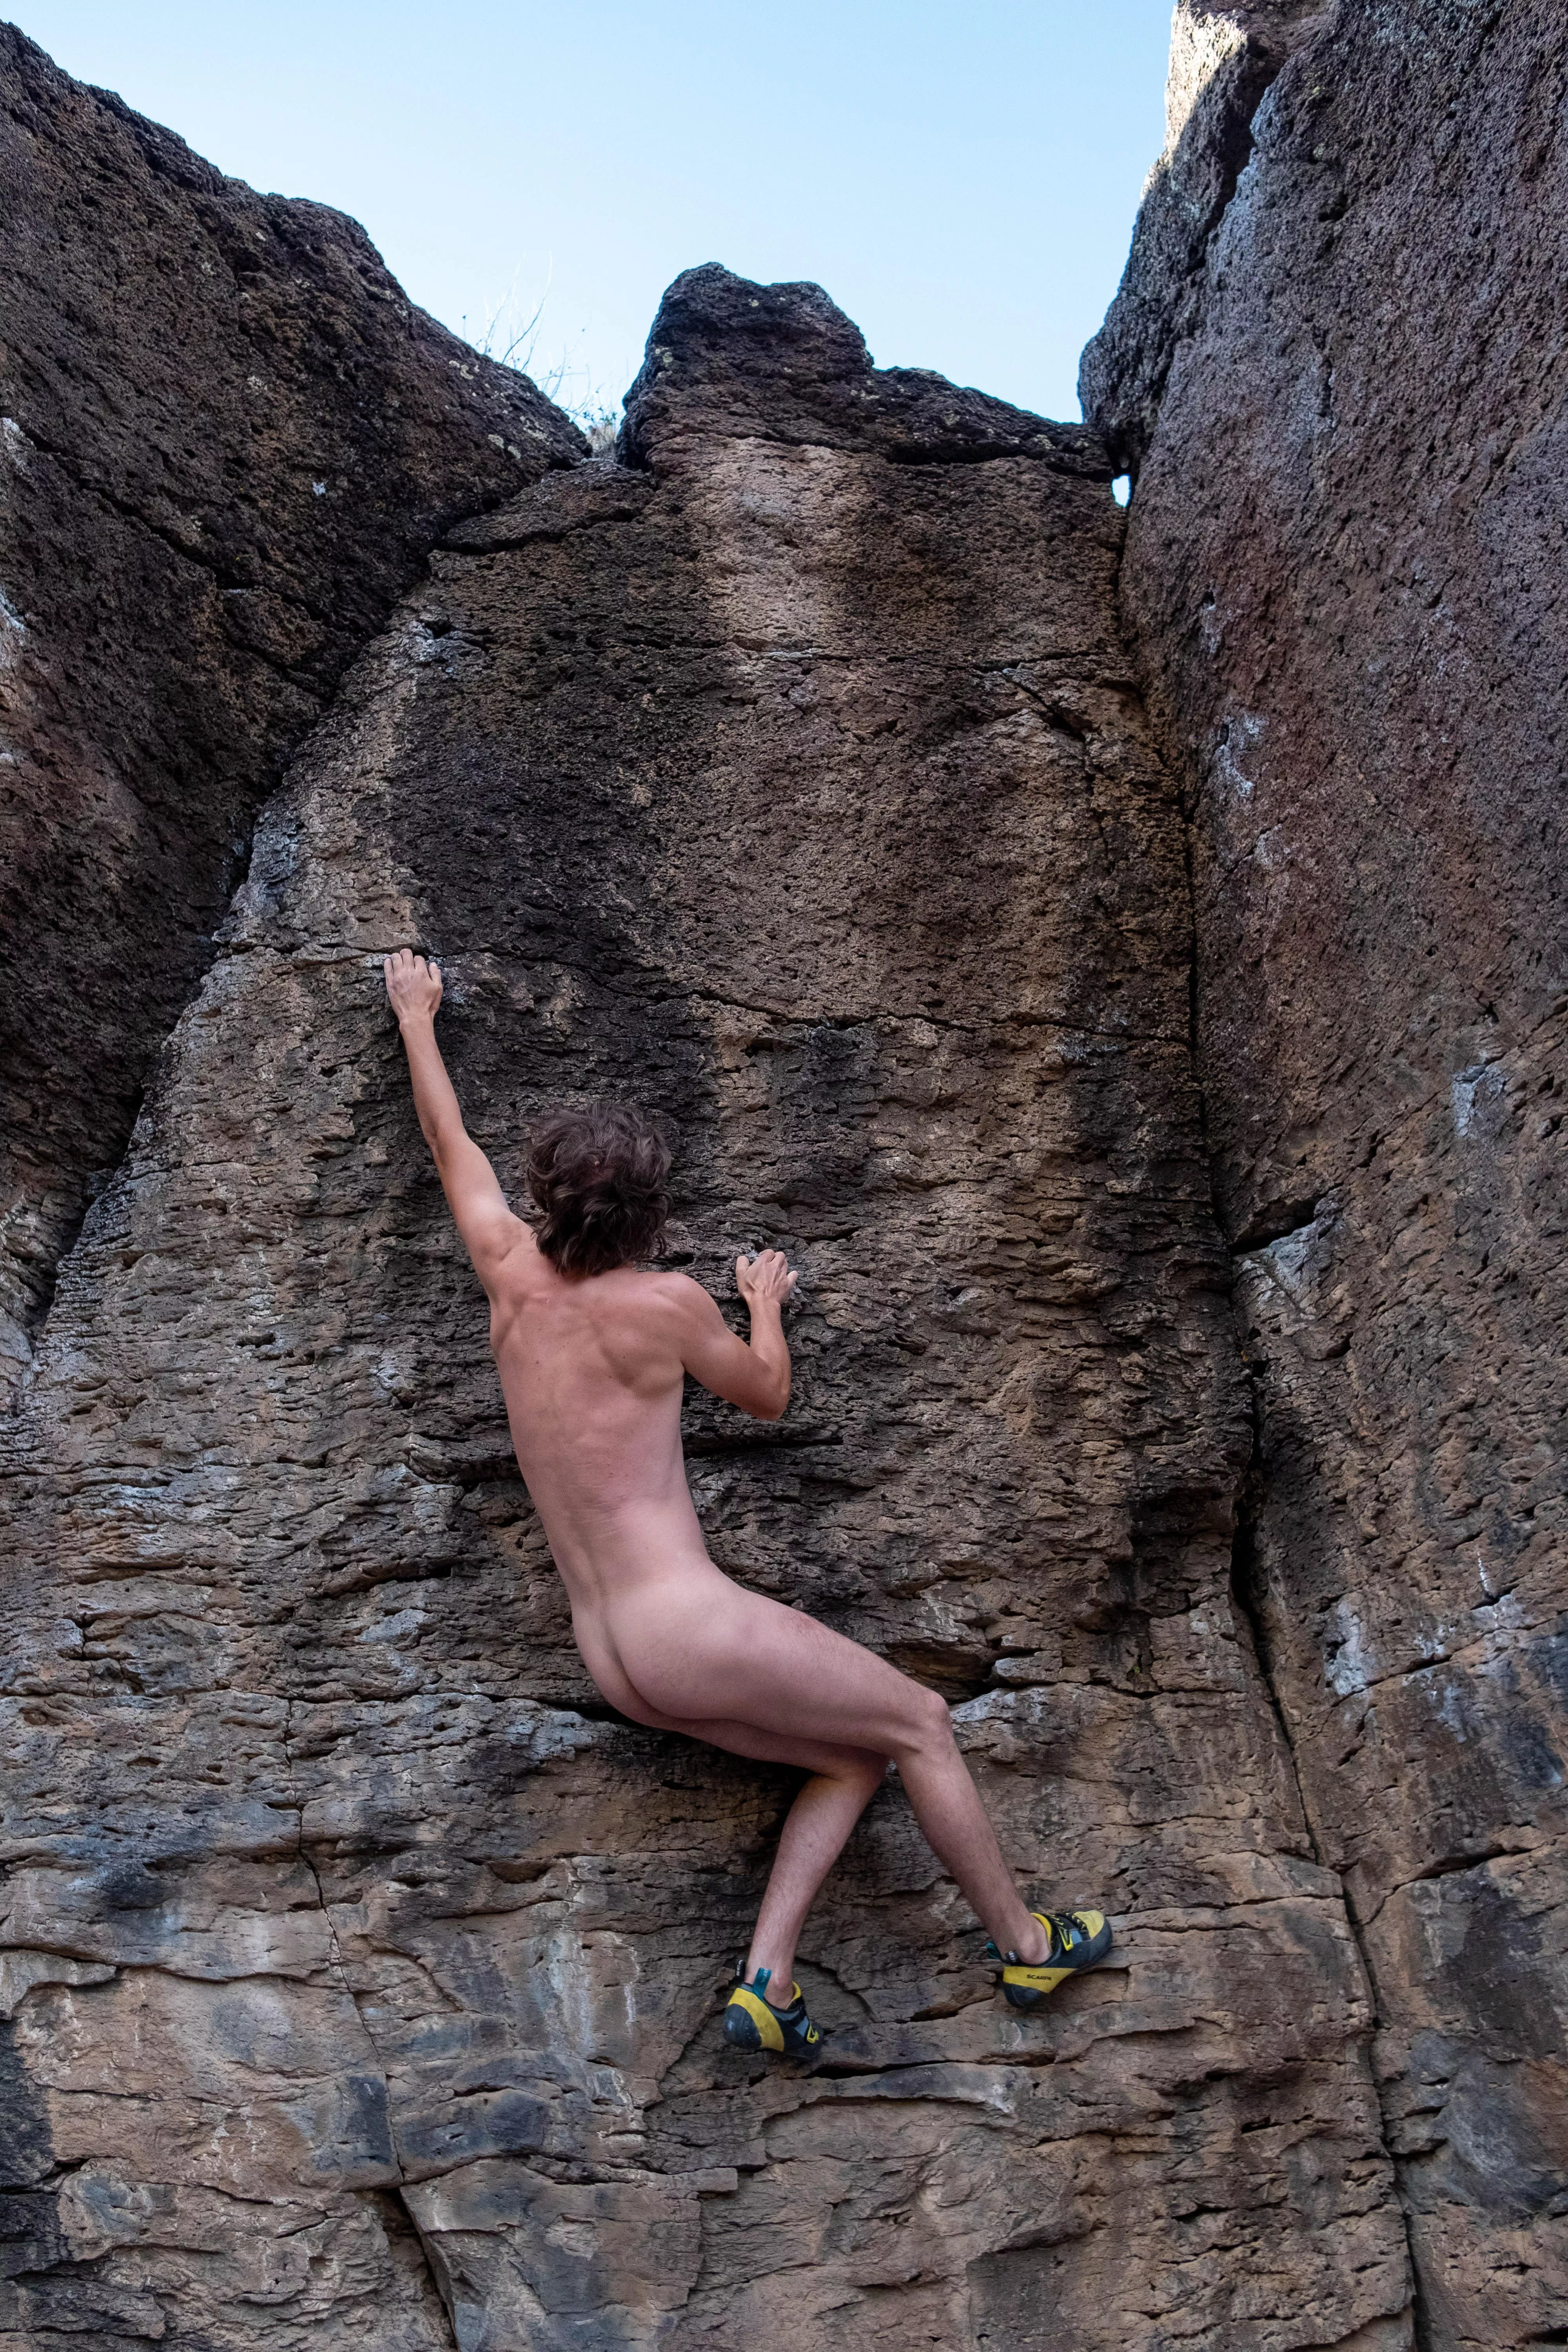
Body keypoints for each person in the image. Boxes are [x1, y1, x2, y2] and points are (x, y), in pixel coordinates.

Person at [384, 948, 1111, 2055]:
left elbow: (452, 1146)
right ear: (649, 1216)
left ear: (545, 1200)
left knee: (852, 1754)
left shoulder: (507, 1269)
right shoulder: (668, 1303)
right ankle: (1024, 1942)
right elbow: (766, 1396)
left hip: (614, 1655)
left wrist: (416, 1017)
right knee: (920, 1723)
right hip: (690, 1627)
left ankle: (767, 1982)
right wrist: (762, 1303)